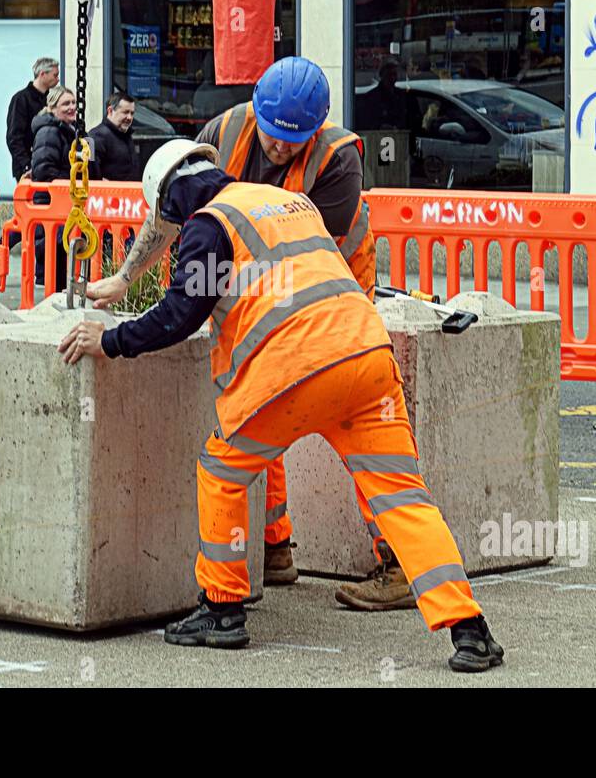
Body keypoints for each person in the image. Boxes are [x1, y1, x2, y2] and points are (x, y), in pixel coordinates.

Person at [57, 140, 505, 672]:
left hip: (294, 370)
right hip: (366, 358)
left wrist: (108, 341)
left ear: (172, 201)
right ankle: (470, 630)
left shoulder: (207, 225)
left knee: (222, 470)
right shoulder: (283, 202)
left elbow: (180, 315)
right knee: (402, 497)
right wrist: (126, 279)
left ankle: (221, 610)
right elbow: (177, 239)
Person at [83, 57, 411, 614]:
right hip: (251, 276)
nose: (280, 149)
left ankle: (396, 561)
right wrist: (124, 278)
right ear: (255, 109)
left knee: (359, 430)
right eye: (273, 135)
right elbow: (172, 211)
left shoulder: (338, 160)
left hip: (326, 287)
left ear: (317, 128)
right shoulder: (223, 133)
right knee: (255, 408)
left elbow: (302, 258)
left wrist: (197, 292)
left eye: (294, 140)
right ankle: (273, 545)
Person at [30, 86, 82, 290]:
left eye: (73, 103)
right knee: (53, 256)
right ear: (52, 107)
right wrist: (71, 182)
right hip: (52, 204)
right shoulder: (49, 133)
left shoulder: (68, 131)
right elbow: (44, 170)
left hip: (62, 204)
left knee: (59, 256)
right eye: (65, 104)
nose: (71, 108)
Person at [7, 57, 60, 181]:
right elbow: (14, 137)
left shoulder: (50, 100)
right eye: (55, 75)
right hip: (28, 166)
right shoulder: (21, 99)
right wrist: (26, 165)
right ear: (42, 74)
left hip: (47, 163)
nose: (57, 79)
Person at [88, 92, 139, 181]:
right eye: (125, 112)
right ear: (110, 111)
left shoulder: (126, 136)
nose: (130, 117)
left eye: (132, 113)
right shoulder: (96, 137)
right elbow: (91, 176)